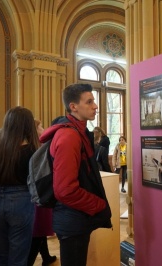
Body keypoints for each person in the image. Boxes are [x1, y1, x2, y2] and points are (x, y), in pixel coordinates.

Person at [39, 83, 112, 266]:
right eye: (89, 102)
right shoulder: (69, 137)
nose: (95, 106)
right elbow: (65, 190)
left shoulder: (79, 132)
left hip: (75, 217)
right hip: (72, 220)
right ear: (73, 107)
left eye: (93, 101)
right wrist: (98, 204)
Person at [0, 106, 40, 265]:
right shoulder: (32, 151)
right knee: (18, 259)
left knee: (0, 257)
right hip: (21, 200)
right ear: (28, 125)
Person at [27, 119, 57, 266]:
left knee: (41, 230)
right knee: (38, 232)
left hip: (37, 196)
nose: (43, 128)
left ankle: (46, 257)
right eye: (39, 126)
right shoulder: (35, 148)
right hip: (39, 196)